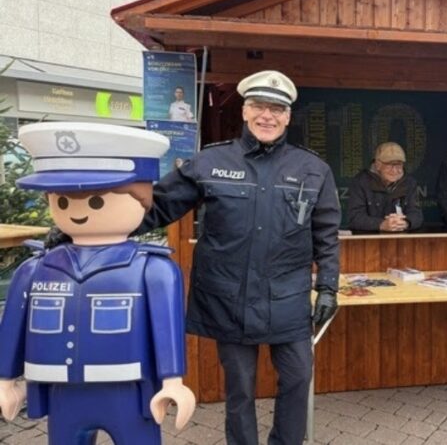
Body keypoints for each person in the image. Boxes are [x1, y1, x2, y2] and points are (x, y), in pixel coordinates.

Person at [136, 70, 341, 445]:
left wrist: (328, 286)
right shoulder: (210, 162)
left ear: (288, 116)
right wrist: (85, 226)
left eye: (277, 109)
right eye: (260, 106)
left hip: (288, 298)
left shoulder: (313, 170)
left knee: (297, 379)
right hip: (229, 298)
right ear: (245, 111)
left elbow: (326, 235)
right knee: (240, 390)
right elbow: (158, 207)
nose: (268, 116)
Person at [0, 122, 195, 444]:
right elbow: (13, 326)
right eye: (62, 201)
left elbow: (166, 328)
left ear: (142, 199)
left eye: (95, 201)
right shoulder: (35, 269)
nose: (76, 211)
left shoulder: (153, 270)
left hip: (129, 391)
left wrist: (172, 382)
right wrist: (6, 379)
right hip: (62, 393)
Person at [347, 142, 423, 232]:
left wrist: (405, 222)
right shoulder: (360, 182)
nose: (395, 170)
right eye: (390, 165)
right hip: (368, 241)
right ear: (378, 165)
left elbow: (417, 215)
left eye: (399, 165)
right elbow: (355, 218)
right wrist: (382, 224)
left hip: (402, 241)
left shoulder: (410, 183)